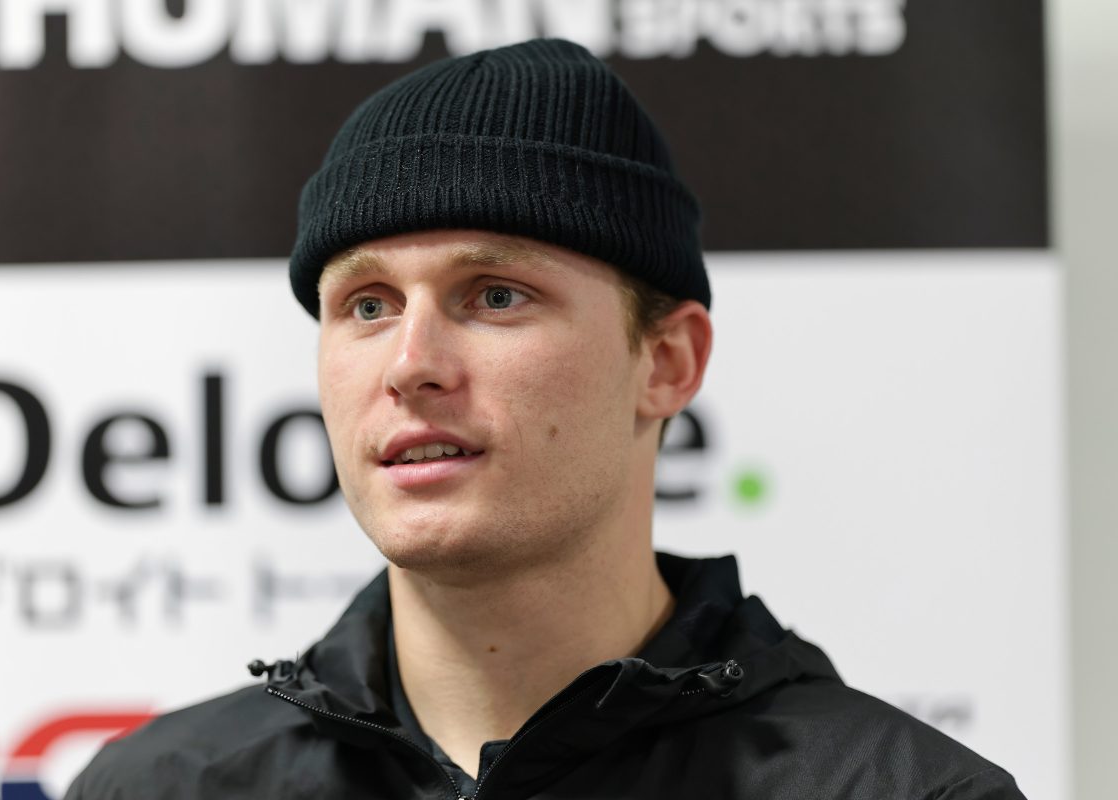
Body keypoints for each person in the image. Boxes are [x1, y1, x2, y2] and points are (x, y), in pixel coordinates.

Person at [66, 38, 1025, 800]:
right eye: (367, 305)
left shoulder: (898, 790)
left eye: (495, 295)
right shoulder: (156, 788)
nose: (410, 364)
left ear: (666, 362)